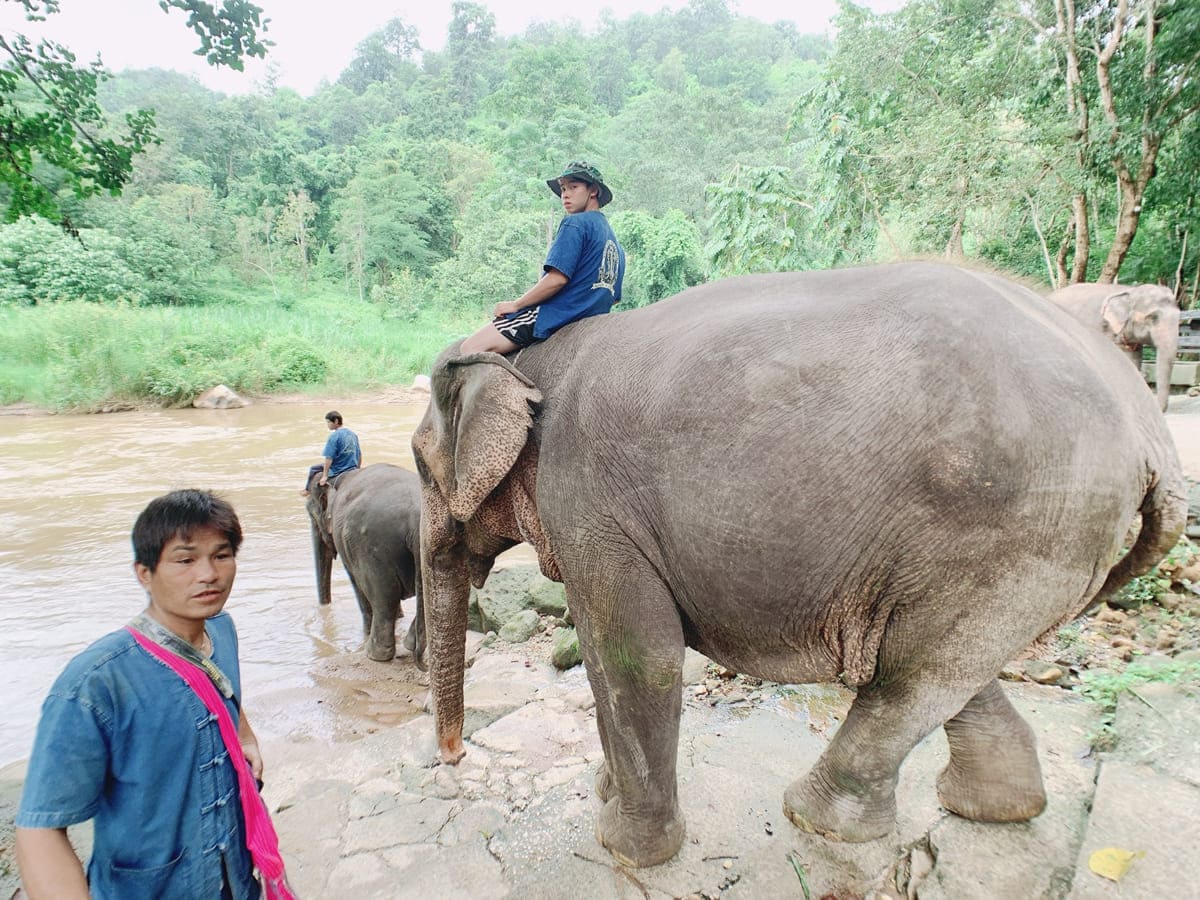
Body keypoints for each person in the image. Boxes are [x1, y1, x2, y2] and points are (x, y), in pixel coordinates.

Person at [15, 490, 293, 900]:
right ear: (144, 573)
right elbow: (40, 828)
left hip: (233, 877)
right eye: (185, 560)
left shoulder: (220, 630)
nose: (208, 575)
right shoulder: (95, 683)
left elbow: (222, 687)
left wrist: (245, 737)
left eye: (221, 555)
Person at [460, 160, 626, 355]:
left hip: (558, 315)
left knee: (470, 347)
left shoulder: (575, 224)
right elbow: (614, 299)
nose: (565, 194)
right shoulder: (616, 245)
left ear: (593, 190)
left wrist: (516, 304)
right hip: (593, 322)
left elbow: (557, 279)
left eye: (574, 187)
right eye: (563, 189)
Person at [302, 410, 362, 495]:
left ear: (336, 421)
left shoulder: (334, 436)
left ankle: (307, 491)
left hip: (339, 468)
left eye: (328, 422)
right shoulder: (353, 434)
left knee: (313, 468)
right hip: (352, 466)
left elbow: (329, 457)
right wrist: (357, 468)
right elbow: (359, 454)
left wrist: (325, 476)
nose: (328, 425)